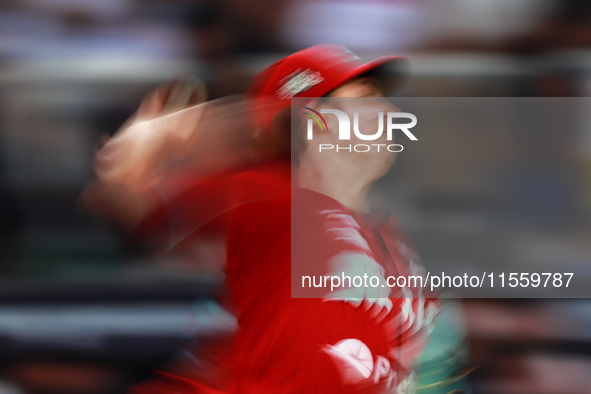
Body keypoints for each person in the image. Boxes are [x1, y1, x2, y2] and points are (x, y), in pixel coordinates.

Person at [84, 44, 437, 393]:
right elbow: (120, 197)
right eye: (365, 99)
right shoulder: (269, 196)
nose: (390, 112)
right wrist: (157, 132)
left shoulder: (391, 235)